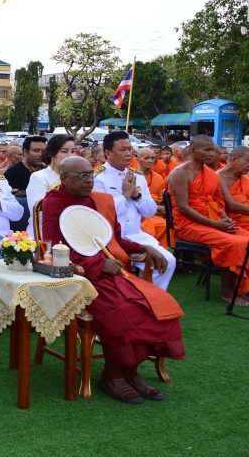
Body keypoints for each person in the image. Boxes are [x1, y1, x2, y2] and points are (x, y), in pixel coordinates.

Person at [43, 156, 184, 403]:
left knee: (155, 304)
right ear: (64, 179)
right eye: (82, 176)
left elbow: (113, 239)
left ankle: (130, 372)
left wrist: (144, 247)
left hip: (112, 273)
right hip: (82, 277)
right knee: (124, 311)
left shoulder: (98, 201)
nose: (89, 181)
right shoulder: (55, 203)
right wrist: (97, 263)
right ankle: (112, 375)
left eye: (90, 175)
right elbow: (55, 248)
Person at [168, 135, 249, 305]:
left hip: (213, 221)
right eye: (206, 150)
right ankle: (227, 291)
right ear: (192, 150)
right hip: (188, 225)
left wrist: (226, 221)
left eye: (212, 150)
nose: (211, 154)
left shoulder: (211, 174)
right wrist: (215, 224)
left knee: (245, 238)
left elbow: (218, 204)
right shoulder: (180, 173)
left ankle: (240, 287)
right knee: (232, 243)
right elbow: (183, 207)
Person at [93, 132, 176, 290]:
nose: (128, 154)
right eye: (122, 150)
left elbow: (150, 211)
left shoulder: (137, 176)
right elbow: (102, 213)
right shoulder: (98, 178)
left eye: (129, 149)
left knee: (168, 260)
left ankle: (153, 298)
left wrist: (136, 194)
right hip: (110, 237)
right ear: (108, 153)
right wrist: (124, 195)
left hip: (135, 234)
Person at [26, 134, 76, 237]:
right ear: (53, 154)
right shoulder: (39, 177)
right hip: (45, 231)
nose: (70, 156)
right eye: (64, 151)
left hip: (73, 230)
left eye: (73, 151)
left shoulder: (77, 177)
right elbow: (39, 213)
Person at [136, 147, 169, 249]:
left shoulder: (158, 178)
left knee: (164, 224)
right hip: (138, 214)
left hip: (154, 214)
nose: (150, 161)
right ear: (138, 159)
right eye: (146, 158)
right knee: (147, 228)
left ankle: (161, 251)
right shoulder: (132, 175)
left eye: (152, 158)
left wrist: (159, 207)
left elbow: (161, 201)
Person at [218, 146, 249, 231]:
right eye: (247, 161)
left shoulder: (245, 178)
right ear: (234, 160)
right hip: (234, 223)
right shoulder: (218, 177)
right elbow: (232, 205)